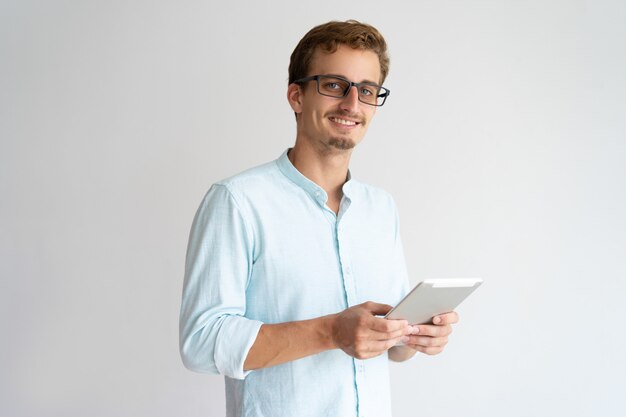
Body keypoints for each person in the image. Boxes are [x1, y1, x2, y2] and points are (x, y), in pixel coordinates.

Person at [179, 20, 459, 417]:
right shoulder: (237, 202)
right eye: (333, 85)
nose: (352, 104)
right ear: (296, 95)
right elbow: (201, 342)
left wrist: (413, 336)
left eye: (366, 90)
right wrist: (331, 332)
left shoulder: (381, 208)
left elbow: (389, 346)